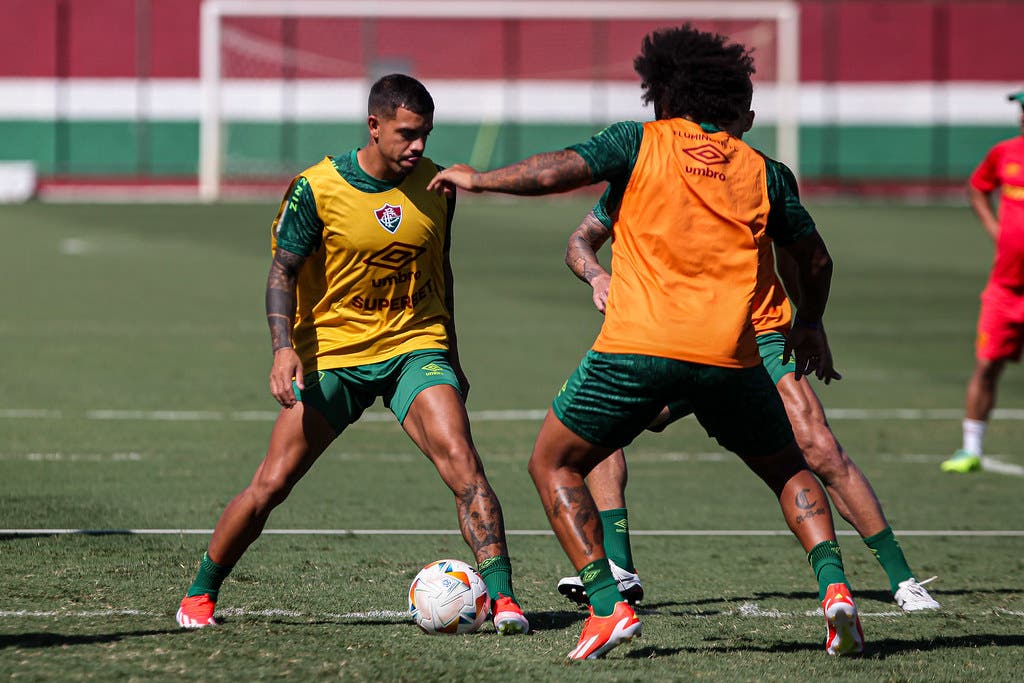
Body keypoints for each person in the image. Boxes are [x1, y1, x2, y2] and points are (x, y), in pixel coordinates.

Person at [429, 25, 864, 658]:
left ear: (664, 93)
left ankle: (608, 606)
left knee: (553, 462)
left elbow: (559, 170)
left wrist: (482, 179)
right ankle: (836, 593)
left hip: (637, 349)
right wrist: (810, 320)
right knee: (789, 468)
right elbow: (816, 260)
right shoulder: (764, 171)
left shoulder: (640, 142)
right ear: (731, 103)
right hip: (730, 356)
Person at [175, 74, 529, 635]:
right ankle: (200, 592)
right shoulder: (315, 188)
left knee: (464, 464)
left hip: (414, 345)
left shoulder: (439, 187)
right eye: (407, 134)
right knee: (271, 484)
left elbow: (443, 273)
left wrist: (452, 356)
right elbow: (282, 270)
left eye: (425, 134)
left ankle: (505, 599)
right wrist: (281, 349)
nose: (418, 146)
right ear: (374, 126)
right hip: (332, 351)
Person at [554, 197, 941, 612]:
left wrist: (811, 322)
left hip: (760, 334)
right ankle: (620, 566)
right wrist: (597, 276)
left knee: (819, 447)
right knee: (596, 422)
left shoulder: (759, 176)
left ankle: (903, 580)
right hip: (680, 339)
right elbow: (580, 239)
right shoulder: (640, 171)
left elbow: (798, 255)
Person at [942, 90, 1024, 474]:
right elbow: (977, 187)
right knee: (986, 365)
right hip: (1005, 290)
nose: (1022, 116)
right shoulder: (1005, 152)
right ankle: (970, 449)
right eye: (1022, 109)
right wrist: (996, 230)